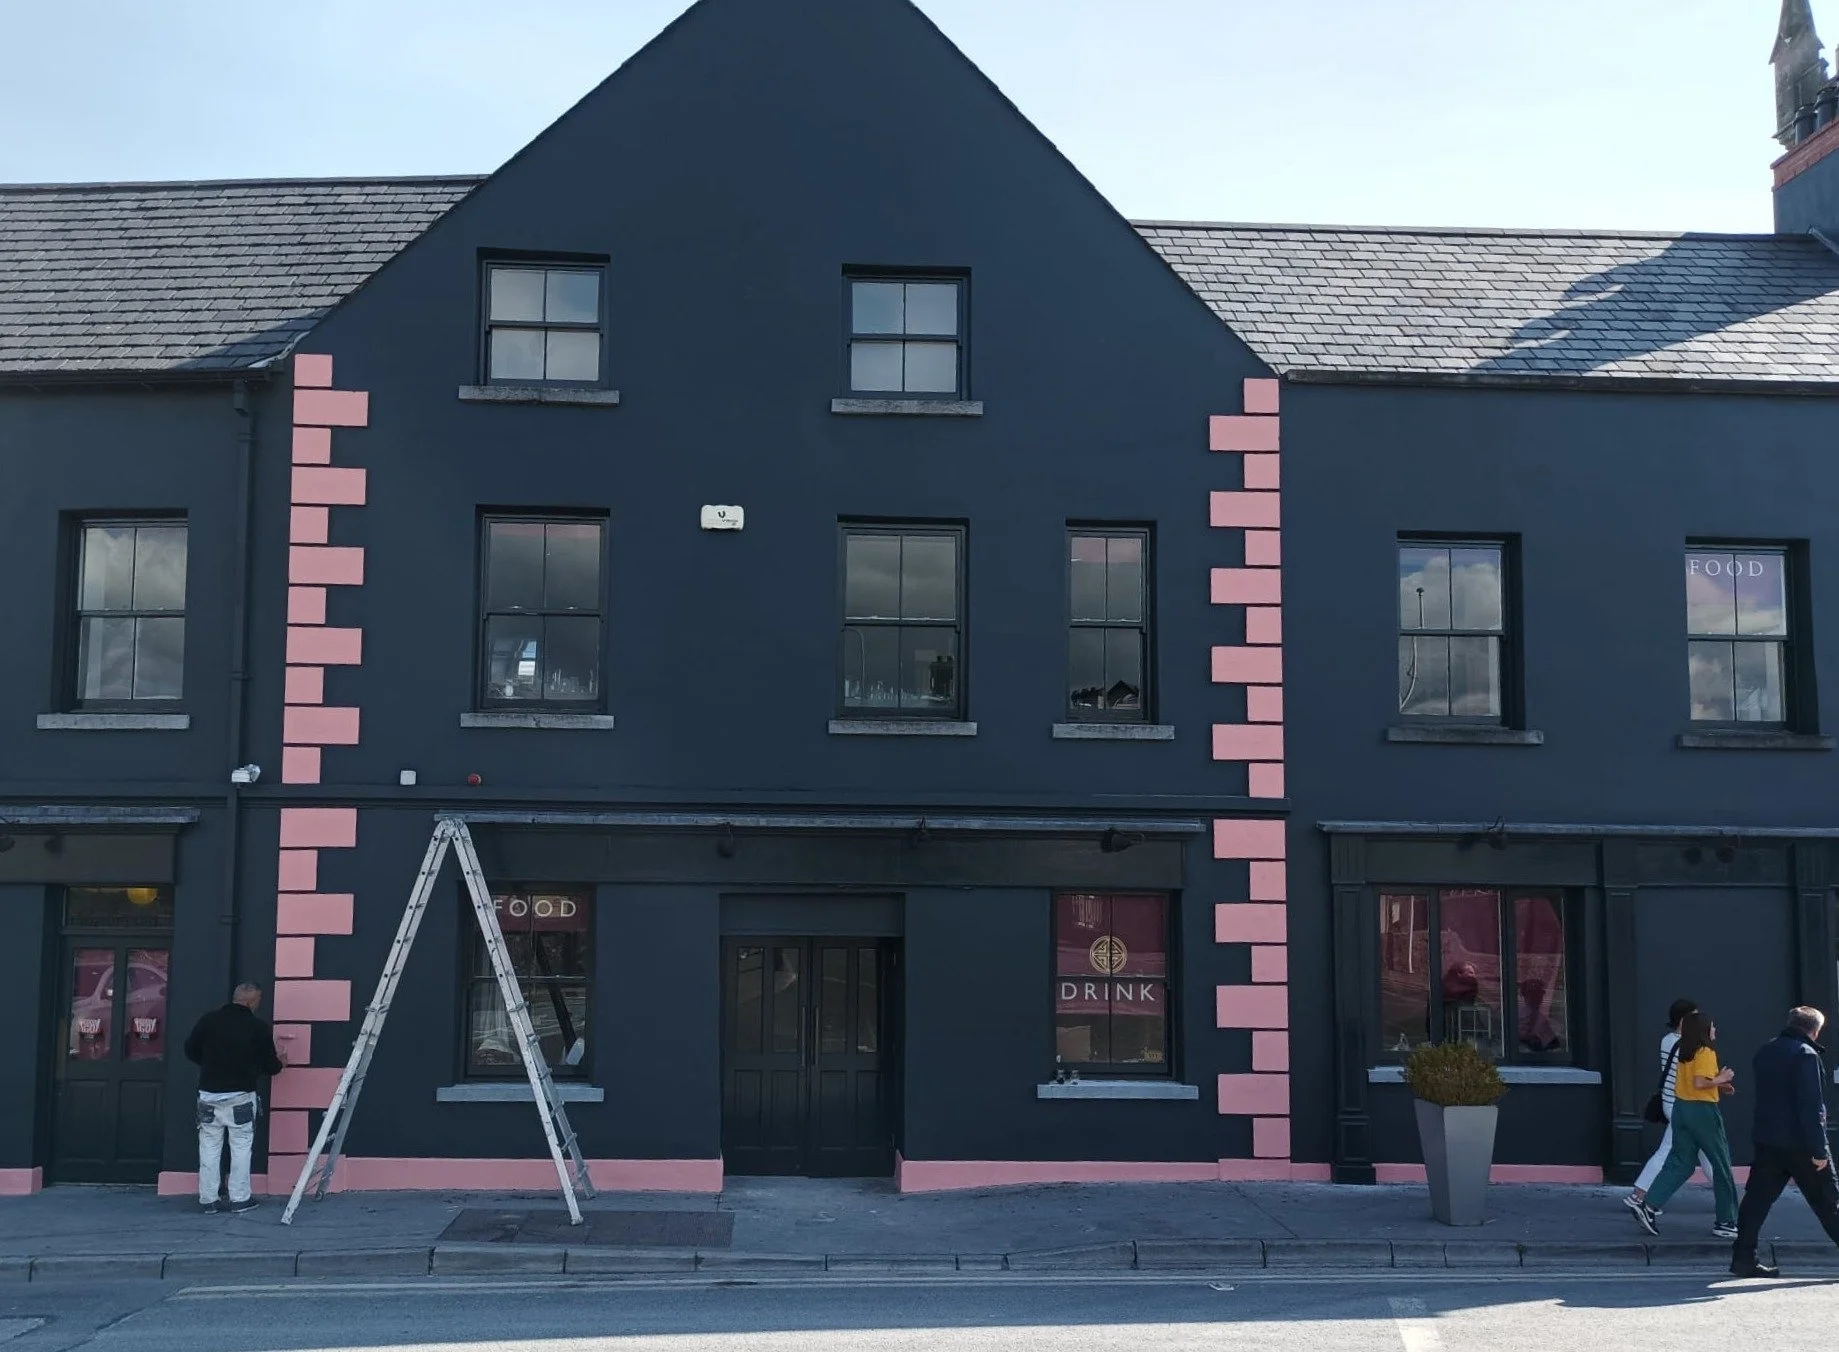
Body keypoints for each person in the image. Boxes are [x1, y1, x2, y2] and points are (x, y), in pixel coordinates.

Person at [1730, 1007, 1839, 1279]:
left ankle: (1744, 1259)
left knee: (1756, 1202)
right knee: (1829, 1202)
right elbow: (1810, 1106)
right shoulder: (1806, 1054)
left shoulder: (1767, 1050)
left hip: (1768, 1140)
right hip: (1801, 1144)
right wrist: (1819, 1150)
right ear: (1814, 1030)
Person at [1631, 1009, 1740, 1238]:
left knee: (1680, 1162)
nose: (1714, 1030)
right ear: (1703, 1030)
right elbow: (1700, 1083)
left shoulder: (1684, 1051)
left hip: (1682, 1109)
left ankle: (1648, 1204)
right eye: (1712, 1026)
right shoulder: (1706, 1052)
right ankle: (1726, 1221)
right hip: (1702, 1111)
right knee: (1720, 1165)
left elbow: (1694, 1081)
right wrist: (1723, 1078)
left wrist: (1719, 1084)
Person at [183, 982, 285, 1214]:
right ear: (251, 1002)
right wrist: (281, 1062)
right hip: (240, 1095)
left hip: (208, 1093)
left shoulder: (208, 1020)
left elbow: (190, 1049)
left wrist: (209, 1064)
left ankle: (209, 1199)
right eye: (257, 1000)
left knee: (209, 1146)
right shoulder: (257, 1027)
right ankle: (240, 1198)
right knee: (240, 1147)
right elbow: (271, 1065)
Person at [1622, 999, 1711, 1219]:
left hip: (1672, 1103)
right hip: (1686, 1105)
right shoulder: (1688, 1046)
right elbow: (1695, 1078)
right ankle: (1639, 1195)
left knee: (1708, 1152)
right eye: (1693, 1018)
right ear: (1683, 1020)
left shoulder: (1667, 1041)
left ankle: (1729, 1196)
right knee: (1674, 1151)